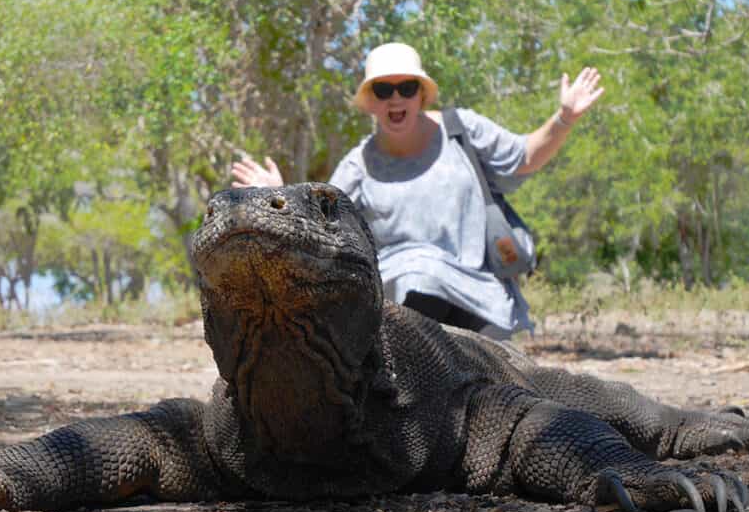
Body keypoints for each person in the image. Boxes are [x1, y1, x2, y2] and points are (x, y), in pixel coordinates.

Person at [231, 42, 604, 338]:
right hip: (402, 304)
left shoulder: (462, 131)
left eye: (406, 88)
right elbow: (319, 223)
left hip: (480, 298)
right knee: (416, 277)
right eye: (383, 89)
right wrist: (279, 196)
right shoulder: (358, 165)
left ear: (421, 96)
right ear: (372, 102)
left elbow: (523, 158)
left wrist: (564, 119)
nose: (396, 98)